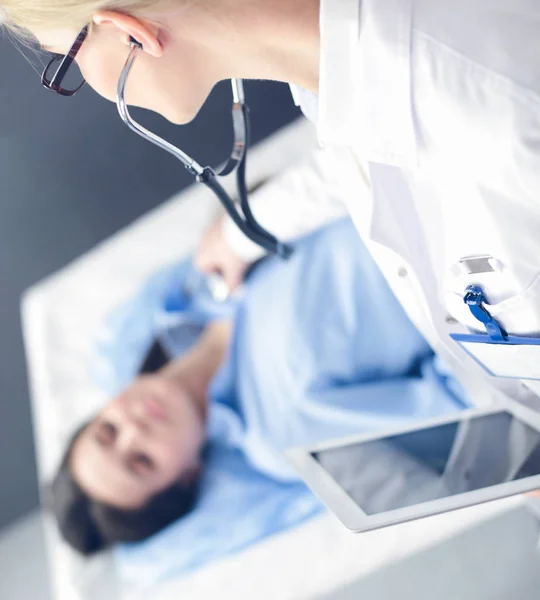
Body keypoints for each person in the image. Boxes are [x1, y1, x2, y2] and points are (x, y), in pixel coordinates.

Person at [3, 0, 540, 498]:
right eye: (141, 460)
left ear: (130, 32)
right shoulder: (329, 92)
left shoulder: (496, 115)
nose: (134, 428)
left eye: (66, 64)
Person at [50, 219, 470, 554]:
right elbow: (461, 392)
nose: (134, 430)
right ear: (187, 478)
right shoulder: (282, 435)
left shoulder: (190, 291)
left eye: (108, 431)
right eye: (142, 460)